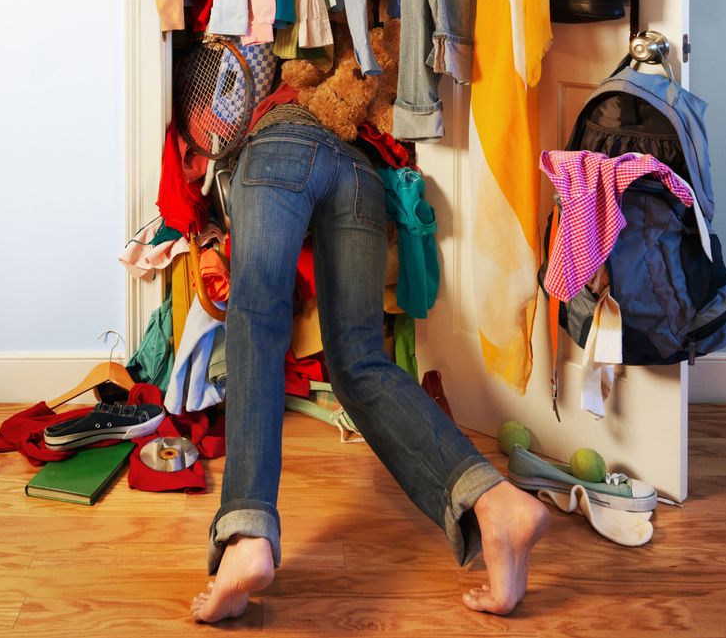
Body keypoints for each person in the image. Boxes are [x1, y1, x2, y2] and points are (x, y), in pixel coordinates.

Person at [190, 104, 549, 623]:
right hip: (359, 172)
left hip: (277, 145)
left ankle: (247, 536)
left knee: (257, 327)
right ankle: (496, 502)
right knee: (360, 361)